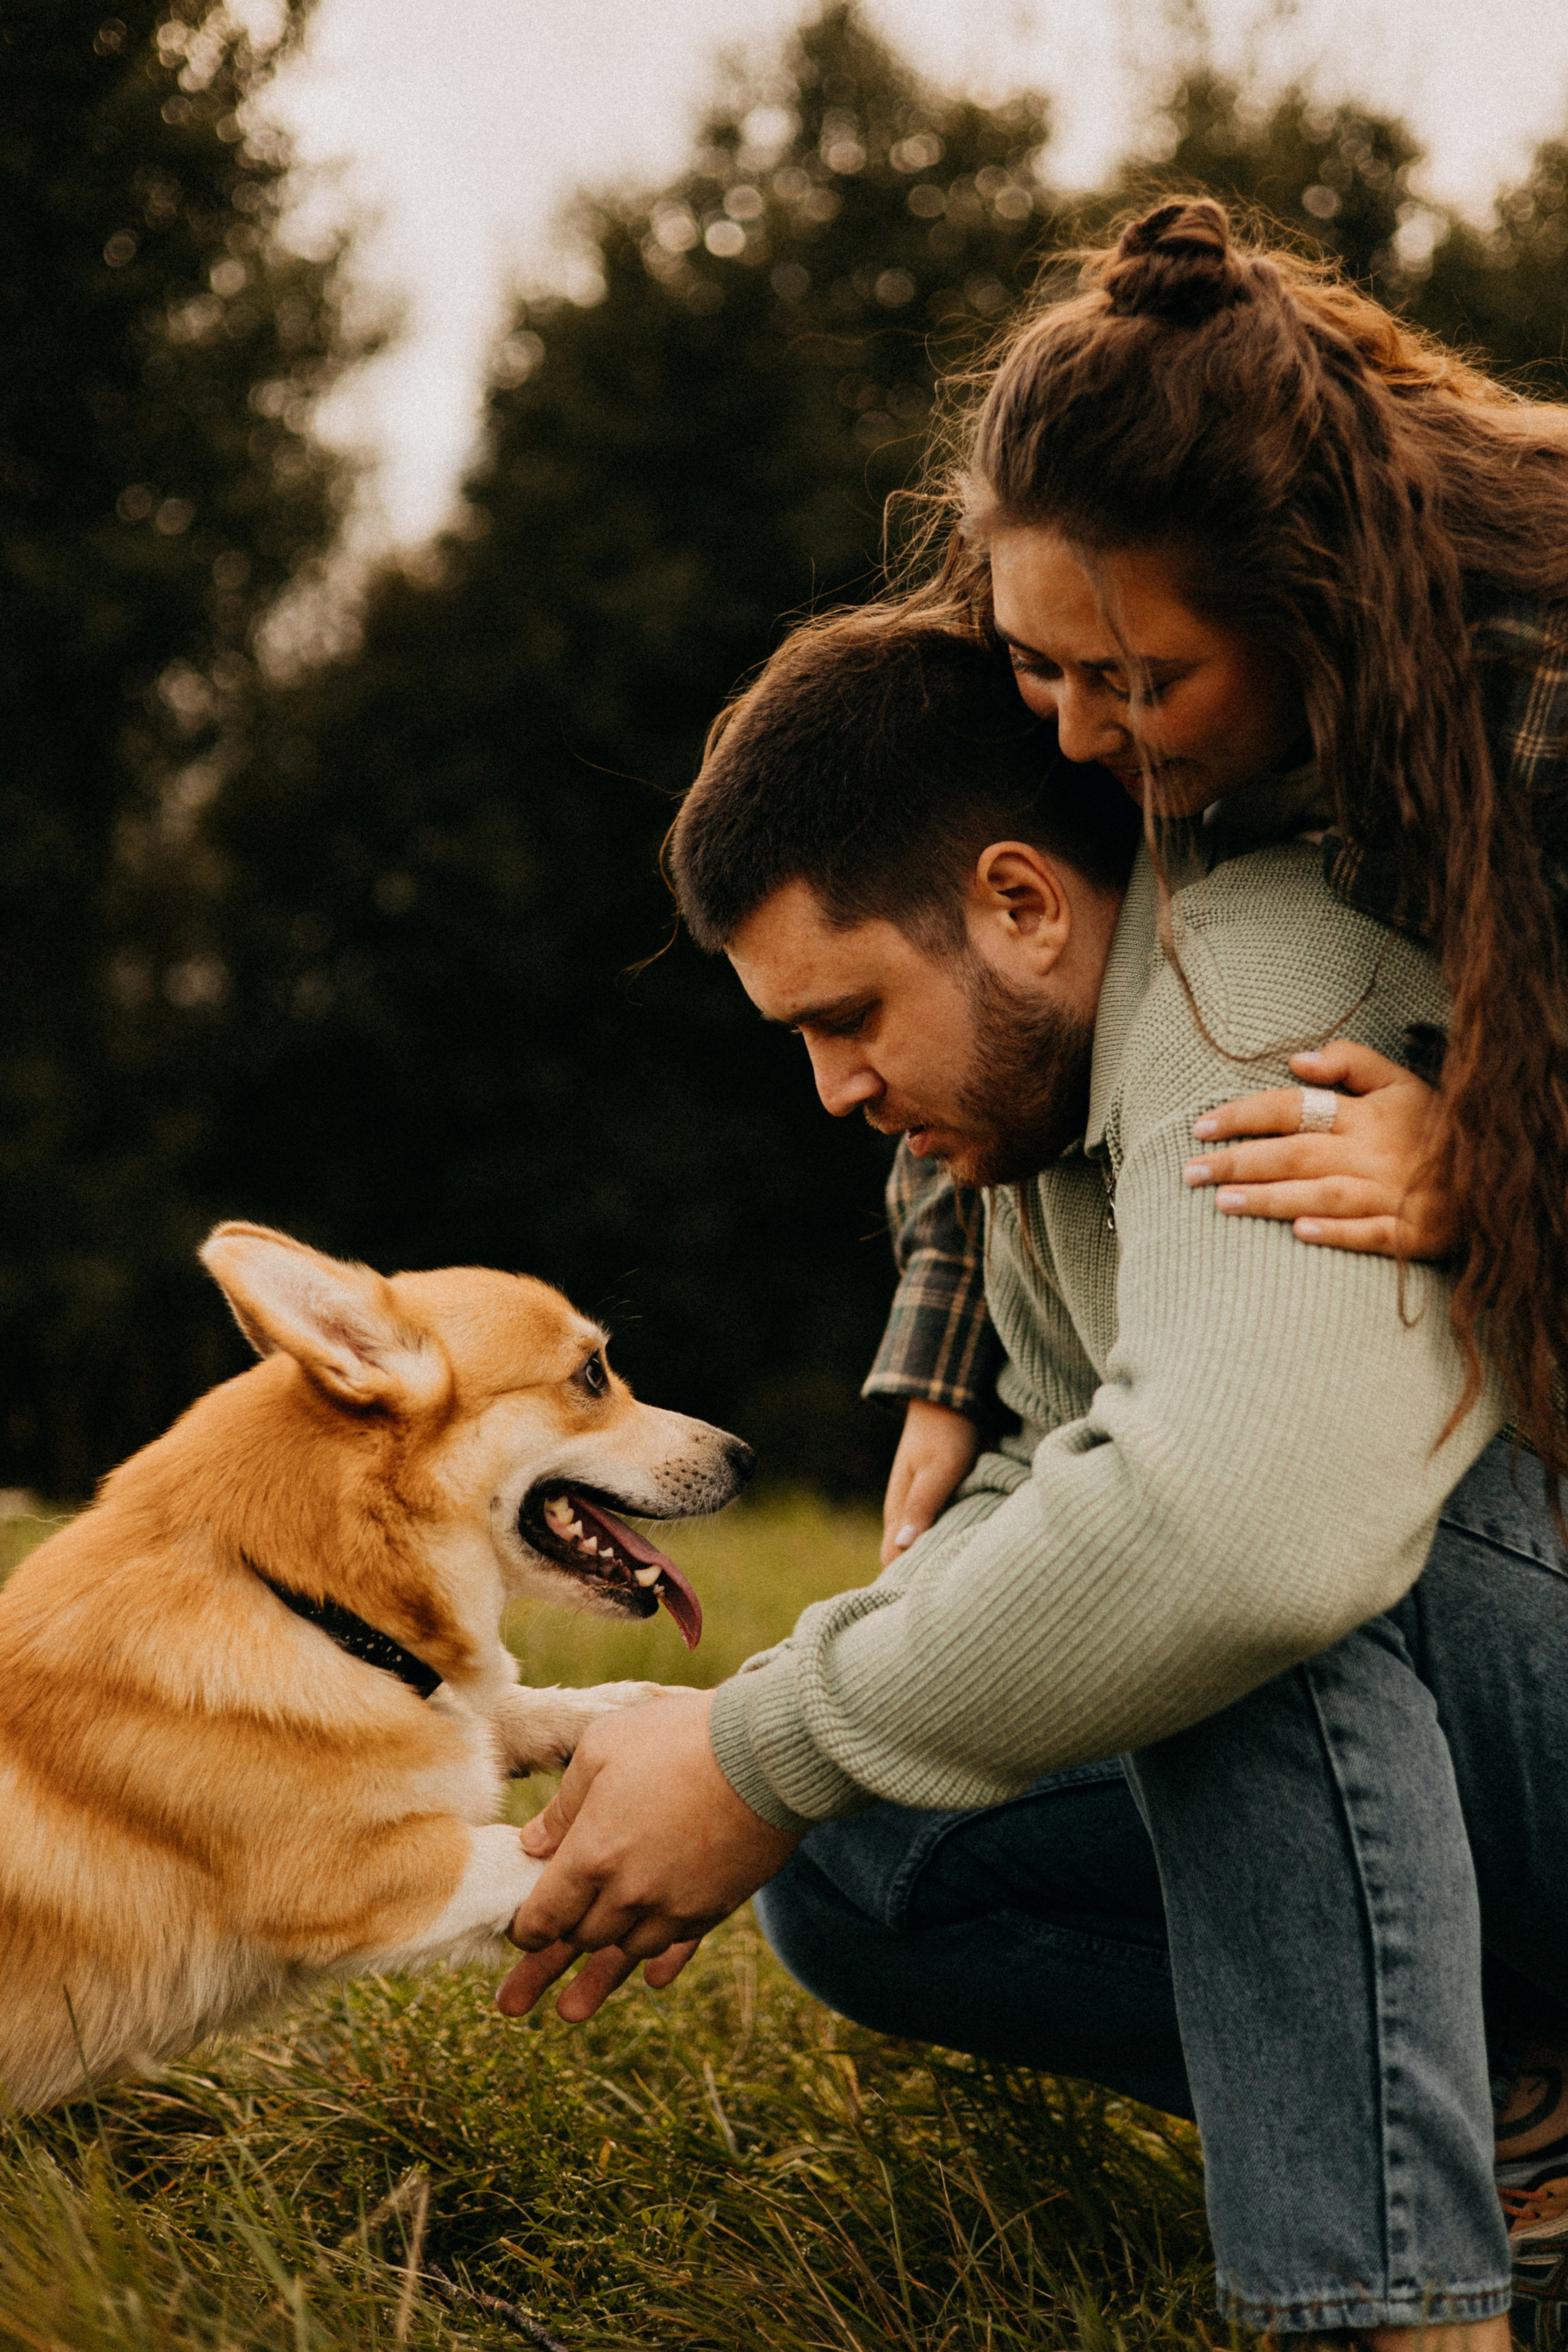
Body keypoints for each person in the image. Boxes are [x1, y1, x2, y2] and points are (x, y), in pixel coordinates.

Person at [497, 608, 1568, 2350]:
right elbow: (1050, 1474)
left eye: (848, 1016)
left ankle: (1390, 2317)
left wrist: (764, 1753)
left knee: (1214, 1585)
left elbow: (1230, 1531)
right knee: (865, 1864)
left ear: (1019, 903)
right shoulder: (1054, 1120)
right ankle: (1527, 2124)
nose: (836, 1088)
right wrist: (752, 1737)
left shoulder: (1251, 1000)